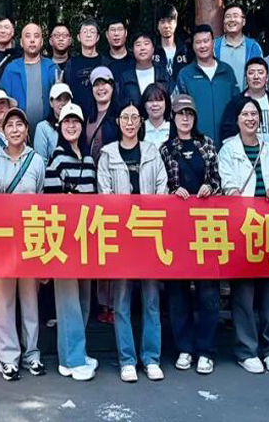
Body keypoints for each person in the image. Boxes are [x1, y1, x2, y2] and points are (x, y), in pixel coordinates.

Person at [219, 97, 269, 375]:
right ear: (237, 120)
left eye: (254, 114)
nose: (250, 119)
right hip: (243, 227)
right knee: (243, 294)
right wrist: (233, 193)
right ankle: (246, 350)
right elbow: (227, 183)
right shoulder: (228, 150)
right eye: (245, 114)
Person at [97, 102, 168, 383]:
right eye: (124, 117)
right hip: (121, 236)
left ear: (141, 122)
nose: (129, 122)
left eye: (134, 117)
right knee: (122, 300)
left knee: (151, 300)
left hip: (149, 233)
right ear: (118, 121)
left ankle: (151, 358)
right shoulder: (108, 154)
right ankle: (127, 359)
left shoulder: (152, 152)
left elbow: (162, 188)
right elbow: (104, 193)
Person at [159, 95, 222, 375]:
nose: (185, 118)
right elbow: (160, 185)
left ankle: (206, 350)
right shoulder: (165, 149)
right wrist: (173, 192)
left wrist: (210, 187)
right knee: (178, 292)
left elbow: (218, 179)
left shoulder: (207, 144)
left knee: (208, 292)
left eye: (189, 114)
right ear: (173, 117)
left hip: (206, 226)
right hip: (176, 229)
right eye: (180, 114)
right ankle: (184, 347)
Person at [0, 107, 47, 381]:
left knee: (30, 298)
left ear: (26, 130)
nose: (14, 129)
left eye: (19, 124)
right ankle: (8, 357)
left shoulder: (37, 160)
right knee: (3, 300)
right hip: (1, 239)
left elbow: (42, 198)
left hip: (30, 237)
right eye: (9, 125)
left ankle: (32, 353)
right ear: (3, 130)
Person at [42, 103, 98, 381]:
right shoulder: (56, 159)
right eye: (67, 122)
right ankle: (70, 360)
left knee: (84, 299)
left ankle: (79, 349)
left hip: (86, 238)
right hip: (64, 241)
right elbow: (52, 202)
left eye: (76, 121)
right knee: (68, 303)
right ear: (60, 127)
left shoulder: (88, 160)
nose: (72, 125)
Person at [176, 24, 240, 145]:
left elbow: (237, 105)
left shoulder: (227, 71)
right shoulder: (185, 74)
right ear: (193, 45)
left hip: (228, 142)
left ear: (213, 43)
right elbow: (180, 111)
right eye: (198, 42)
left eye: (206, 41)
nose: (203, 46)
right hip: (197, 144)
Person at [219, 57, 269, 146]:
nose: (256, 77)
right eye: (251, 73)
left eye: (260, 72)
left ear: (267, 77)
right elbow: (227, 134)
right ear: (246, 78)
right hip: (243, 152)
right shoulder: (235, 103)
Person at [0, 22, 59, 130]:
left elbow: (62, 102)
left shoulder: (51, 68)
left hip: (48, 130)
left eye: (36, 36)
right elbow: (2, 102)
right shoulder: (11, 69)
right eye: (27, 36)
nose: (32, 40)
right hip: (17, 131)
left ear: (41, 42)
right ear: (21, 42)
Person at [214, 4, 264, 90]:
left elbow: (261, 76)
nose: (232, 19)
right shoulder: (214, 46)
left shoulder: (253, 47)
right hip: (219, 96)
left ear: (243, 22)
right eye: (228, 16)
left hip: (246, 97)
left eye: (235, 16)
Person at [118, 31, 169, 107]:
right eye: (138, 45)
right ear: (133, 49)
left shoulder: (163, 75)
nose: (142, 48)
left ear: (153, 48)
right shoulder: (125, 78)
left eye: (146, 44)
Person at [66, 18, 106, 108]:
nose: (88, 35)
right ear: (78, 37)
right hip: (77, 113)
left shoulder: (105, 62)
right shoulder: (71, 63)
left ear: (97, 37)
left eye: (92, 32)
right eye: (85, 32)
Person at [85, 66, 120, 158]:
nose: (100, 88)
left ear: (112, 86)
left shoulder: (120, 116)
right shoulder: (87, 117)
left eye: (104, 83)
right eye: (96, 84)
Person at [34, 82, 73, 165]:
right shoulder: (43, 127)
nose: (63, 103)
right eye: (59, 99)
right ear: (51, 102)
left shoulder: (76, 126)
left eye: (66, 99)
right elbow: (40, 162)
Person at [154, 3, 191, 80]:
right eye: (162, 22)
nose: (166, 26)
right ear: (157, 25)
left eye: (169, 21)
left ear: (175, 23)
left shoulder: (186, 50)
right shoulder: (152, 50)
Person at [141, 83, 171, 150]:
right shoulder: (139, 129)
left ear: (166, 103)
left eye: (159, 100)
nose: (155, 104)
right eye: (150, 100)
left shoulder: (174, 128)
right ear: (144, 104)